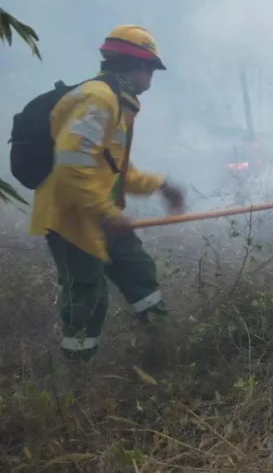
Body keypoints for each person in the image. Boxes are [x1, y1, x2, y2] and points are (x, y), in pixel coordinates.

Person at [28, 24, 186, 362]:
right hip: (71, 219)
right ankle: (78, 375)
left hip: (101, 215)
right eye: (151, 70)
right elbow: (72, 167)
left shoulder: (118, 102)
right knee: (88, 295)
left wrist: (160, 185)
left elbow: (117, 169)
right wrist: (106, 214)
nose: (151, 79)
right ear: (139, 66)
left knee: (139, 272)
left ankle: (166, 348)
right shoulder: (98, 100)